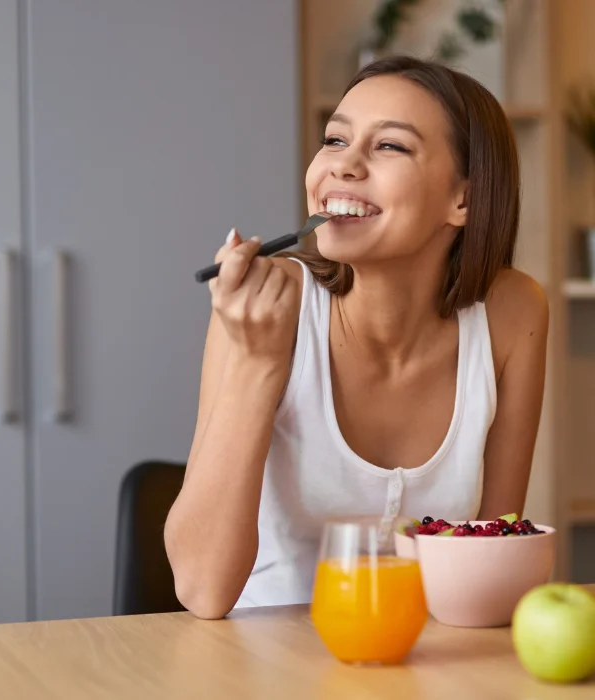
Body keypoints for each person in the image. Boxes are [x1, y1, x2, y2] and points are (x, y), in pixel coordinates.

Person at [164, 55, 549, 619]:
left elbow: (487, 564)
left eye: (389, 146)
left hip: (420, 659)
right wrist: (258, 362)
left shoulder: (513, 313)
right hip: (257, 662)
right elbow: (201, 590)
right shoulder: (268, 307)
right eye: (335, 139)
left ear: (463, 199)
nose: (342, 166)